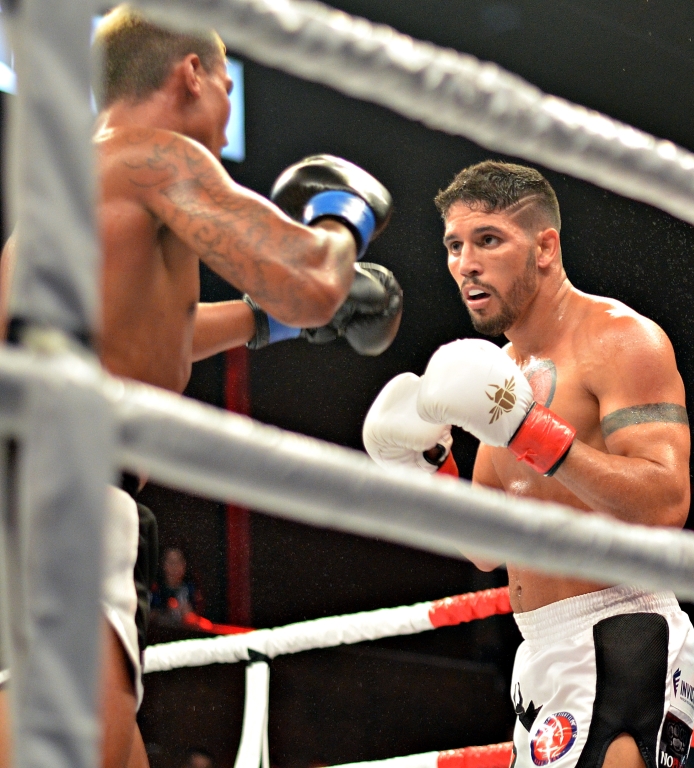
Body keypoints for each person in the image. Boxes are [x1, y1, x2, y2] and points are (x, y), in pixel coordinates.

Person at [0, 6, 400, 768]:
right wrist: (343, 219)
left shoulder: (78, 189)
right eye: (227, 89)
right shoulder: (158, 159)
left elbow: (151, 339)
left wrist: (262, 323)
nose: (226, 120)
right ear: (191, 75)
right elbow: (310, 280)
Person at [363, 162, 694, 768]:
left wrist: (532, 432)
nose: (466, 264)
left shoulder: (620, 341)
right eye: (455, 246)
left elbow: (666, 502)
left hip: (620, 633)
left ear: (545, 247)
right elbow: (487, 548)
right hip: (541, 651)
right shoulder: (500, 372)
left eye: (488, 240)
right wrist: (429, 466)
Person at [151, 547, 204, 626]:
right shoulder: (155, 589)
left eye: (179, 561)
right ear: (163, 565)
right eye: (171, 562)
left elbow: (201, 621)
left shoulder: (191, 589)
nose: (175, 567)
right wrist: (164, 612)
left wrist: (189, 615)